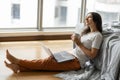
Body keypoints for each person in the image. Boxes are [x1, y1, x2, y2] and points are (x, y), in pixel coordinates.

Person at [4, 12, 103, 73]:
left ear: (96, 20)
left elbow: (92, 55)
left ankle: (18, 61)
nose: (86, 19)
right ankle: (18, 67)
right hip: (70, 55)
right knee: (47, 61)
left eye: (89, 17)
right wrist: (75, 40)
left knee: (45, 63)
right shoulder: (86, 32)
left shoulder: (97, 36)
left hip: (76, 62)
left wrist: (79, 44)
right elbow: (78, 47)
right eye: (86, 17)